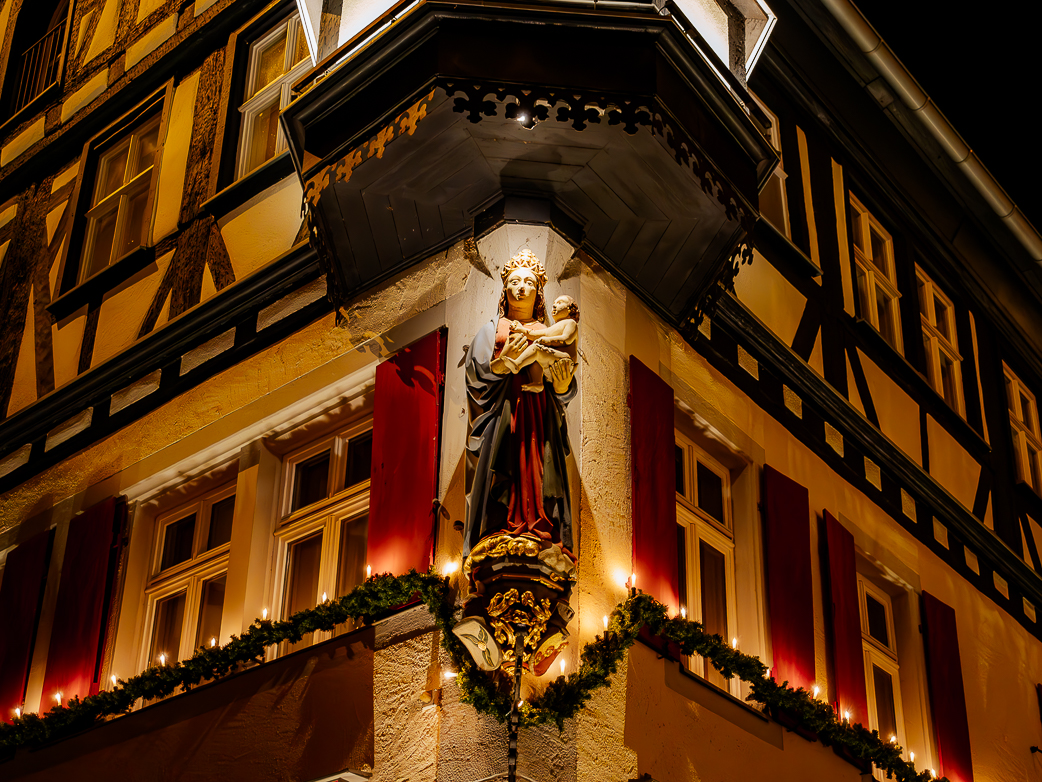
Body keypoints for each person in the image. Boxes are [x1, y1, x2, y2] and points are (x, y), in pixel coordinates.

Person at [463, 250, 577, 558]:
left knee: (540, 468)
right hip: (505, 418)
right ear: (505, 289)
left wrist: (564, 385)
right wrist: (502, 365)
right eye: (515, 281)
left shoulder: (551, 333)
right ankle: (500, 524)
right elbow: (476, 377)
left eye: (529, 282)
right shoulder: (490, 333)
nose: (522, 288)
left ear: (538, 292)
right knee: (505, 468)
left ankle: (539, 522)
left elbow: (562, 380)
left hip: (540, 421)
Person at [501, 295, 579, 393]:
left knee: (536, 349)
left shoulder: (571, 323)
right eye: (554, 303)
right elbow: (535, 335)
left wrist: (547, 341)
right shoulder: (553, 328)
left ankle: (517, 365)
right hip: (553, 360)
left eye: (559, 303)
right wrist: (521, 329)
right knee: (533, 357)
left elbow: (566, 339)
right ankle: (538, 382)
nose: (554, 306)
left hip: (565, 361)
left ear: (570, 310)